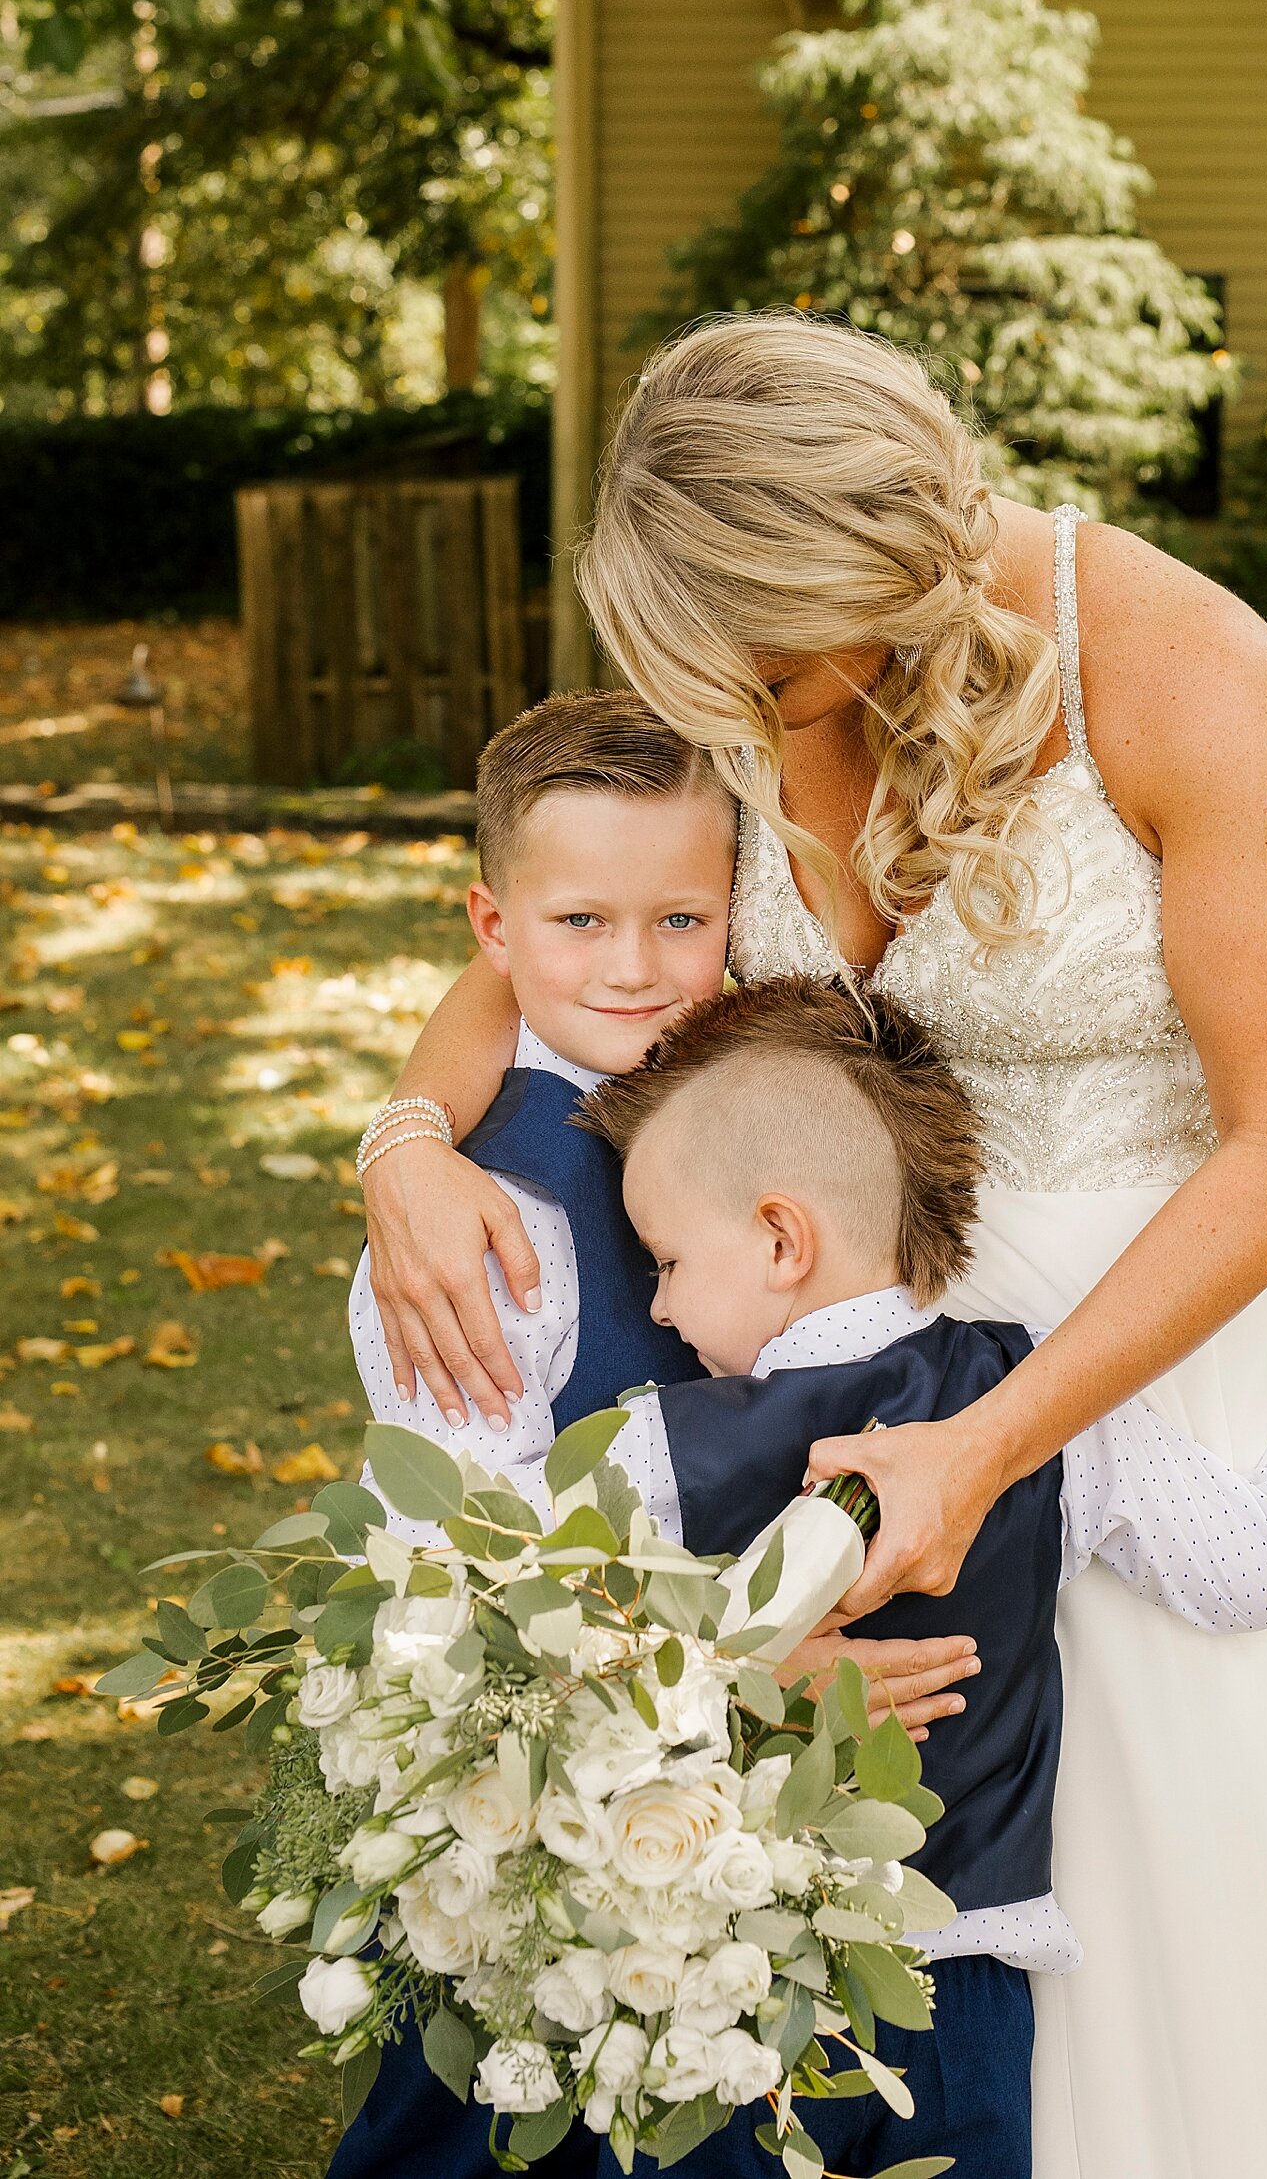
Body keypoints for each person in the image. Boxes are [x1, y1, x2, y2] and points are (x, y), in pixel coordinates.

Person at [360, 315, 1267, 2179]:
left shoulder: (1187, 673)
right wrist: (403, 1138)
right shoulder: (734, 655)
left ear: (869, 563)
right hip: (843, 1390)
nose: (728, 699)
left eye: (765, 655)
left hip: (1131, 1372)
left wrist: (994, 1440)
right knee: (872, 1872)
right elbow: (551, 943)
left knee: (1158, 1910)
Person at [331, 693, 979, 2179]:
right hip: (572, 1750)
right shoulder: (487, 1239)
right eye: (584, 926)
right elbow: (470, 1572)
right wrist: (728, 1673)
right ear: (495, 929)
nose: (637, 969)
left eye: (682, 920)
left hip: (738, 1776)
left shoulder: (739, 1091)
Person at [573, 970, 1267, 2175]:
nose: (660, 1302)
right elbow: (1238, 1568)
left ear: (780, 1236)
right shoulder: (1040, 1402)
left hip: (722, 1963)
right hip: (960, 1973)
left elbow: (534, 1617)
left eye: (669, 1259)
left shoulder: (661, 1446)